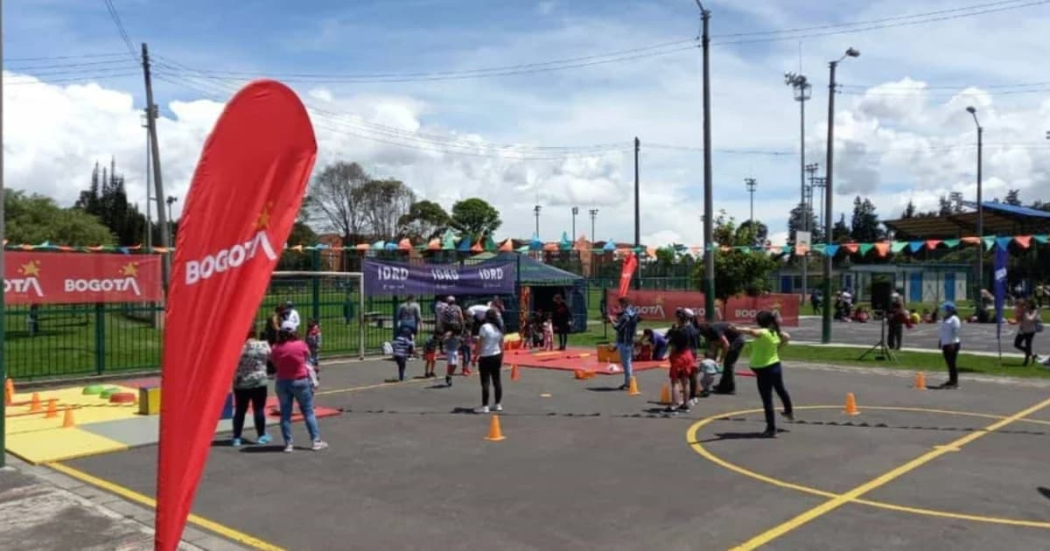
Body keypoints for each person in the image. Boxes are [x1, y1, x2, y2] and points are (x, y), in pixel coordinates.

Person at [271, 320, 327, 452]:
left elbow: (274, 362)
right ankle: (315, 441)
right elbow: (307, 357)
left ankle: (288, 443)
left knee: (285, 414)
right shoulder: (300, 345)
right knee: (308, 411)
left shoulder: (276, 347)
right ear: (293, 331)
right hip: (300, 380)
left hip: (283, 381)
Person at [737, 311, 794, 438]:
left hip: (764, 369)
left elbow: (752, 332)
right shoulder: (775, 333)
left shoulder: (764, 333)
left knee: (767, 399)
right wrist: (779, 348)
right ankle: (788, 411)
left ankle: (771, 428)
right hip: (774, 365)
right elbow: (786, 337)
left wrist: (737, 328)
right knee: (780, 389)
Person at [231, 327, 272, 447]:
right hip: (259, 381)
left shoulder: (238, 347)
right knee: (258, 409)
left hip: (241, 382)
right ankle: (261, 435)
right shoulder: (263, 345)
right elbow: (272, 358)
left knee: (240, 410)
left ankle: (236, 437)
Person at [695, 320, 745, 395]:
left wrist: (721, 360)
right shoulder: (710, 335)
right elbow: (714, 347)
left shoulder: (714, 329)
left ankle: (730, 388)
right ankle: (723, 385)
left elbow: (726, 345)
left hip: (737, 340)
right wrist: (712, 361)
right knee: (727, 364)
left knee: (729, 364)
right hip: (731, 340)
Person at [474, 309, 505, 413]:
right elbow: (502, 344)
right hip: (497, 355)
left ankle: (485, 405)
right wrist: (502, 357)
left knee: (485, 381)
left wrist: (475, 357)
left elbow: (480, 344)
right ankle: (497, 404)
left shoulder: (484, 327)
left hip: (486, 356)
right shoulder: (499, 328)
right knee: (497, 381)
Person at [610, 296, 639, 391]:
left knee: (626, 364)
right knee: (628, 363)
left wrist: (611, 320)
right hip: (629, 340)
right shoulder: (633, 312)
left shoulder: (626, 315)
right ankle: (628, 382)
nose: (620, 307)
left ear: (624, 304)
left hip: (625, 341)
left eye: (621, 305)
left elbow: (618, 327)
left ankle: (629, 383)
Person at [440, 296, 465, 387]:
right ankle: (449, 376)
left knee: (455, 363)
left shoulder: (446, 309)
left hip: (451, 331)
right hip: (453, 330)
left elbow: (442, 319)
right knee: (452, 361)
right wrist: (461, 328)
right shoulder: (456, 308)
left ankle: (449, 375)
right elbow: (461, 318)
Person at [937, 302, 962, 389]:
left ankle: (955, 382)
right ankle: (951, 380)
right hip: (945, 343)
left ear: (950, 310)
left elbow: (955, 332)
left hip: (952, 344)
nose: (943, 311)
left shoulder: (954, 319)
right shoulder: (945, 318)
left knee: (952, 363)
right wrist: (940, 340)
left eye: (945, 309)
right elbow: (943, 331)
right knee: (949, 363)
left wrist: (952, 343)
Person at [1014, 299, 1039, 366]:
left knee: (1028, 345)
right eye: (1026, 303)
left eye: (1028, 303)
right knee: (1016, 344)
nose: (1026, 305)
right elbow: (1018, 319)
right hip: (1022, 330)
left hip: (1030, 331)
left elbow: (1029, 319)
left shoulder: (1034, 311)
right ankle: (1032, 354)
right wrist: (1017, 317)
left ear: (1031, 304)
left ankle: (1026, 361)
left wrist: (1025, 312)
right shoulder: (1023, 310)